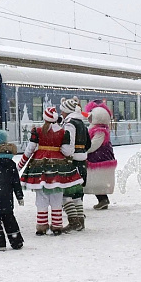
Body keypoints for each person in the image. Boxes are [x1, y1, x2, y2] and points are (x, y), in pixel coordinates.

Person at [18, 107, 82, 235]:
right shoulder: (63, 133)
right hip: (58, 168)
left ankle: (41, 226)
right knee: (57, 197)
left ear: (44, 118)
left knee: (41, 197)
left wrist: (20, 166)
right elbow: (67, 151)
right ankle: (57, 226)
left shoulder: (38, 131)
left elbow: (29, 150)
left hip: (39, 167)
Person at [59, 96, 91, 232]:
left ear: (67, 111)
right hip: (82, 161)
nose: (61, 113)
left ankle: (73, 221)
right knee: (77, 193)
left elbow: (68, 145)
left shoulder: (70, 123)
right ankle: (80, 221)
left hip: (72, 162)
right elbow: (88, 144)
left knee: (66, 194)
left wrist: (64, 153)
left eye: (62, 111)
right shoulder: (82, 123)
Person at [83, 101, 117, 210]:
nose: (89, 119)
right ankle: (102, 199)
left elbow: (94, 145)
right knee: (92, 180)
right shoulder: (96, 128)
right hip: (97, 158)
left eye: (91, 117)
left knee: (94, 180)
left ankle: (102, 199)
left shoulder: (100, 131)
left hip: (98, 159)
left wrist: (83, 149)